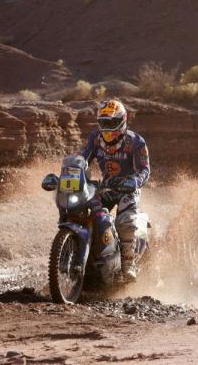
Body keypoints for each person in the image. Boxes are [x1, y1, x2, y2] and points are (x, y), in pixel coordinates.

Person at [80, 99, 150, 281]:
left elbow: (144, 169)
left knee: (125, 221)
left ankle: (128, 264)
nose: (107, 127)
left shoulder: (136, 141)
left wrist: (134, 181)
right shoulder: (95, 138)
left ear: (122, 120)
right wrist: (70, 173)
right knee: (85, 209)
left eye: (111, 122)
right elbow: (82, 159)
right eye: (103, 122)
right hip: (107, 187)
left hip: (128, 189)